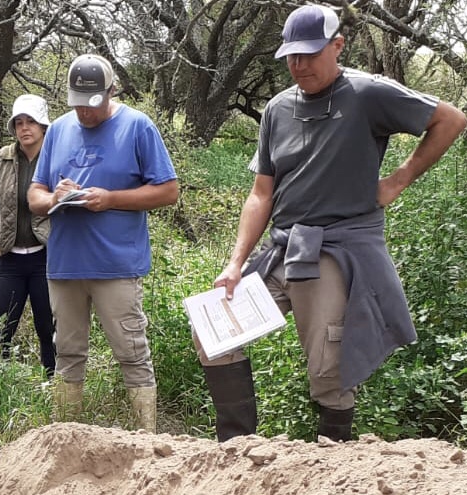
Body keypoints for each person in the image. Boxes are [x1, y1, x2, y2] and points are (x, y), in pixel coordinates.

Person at [201, 5, 467, 442]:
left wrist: (399, 179)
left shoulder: (367, 93)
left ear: (337, 45)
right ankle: (237, 452)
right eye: (291, 56)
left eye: (309, 54)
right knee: (214, 333)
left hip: (335, 246)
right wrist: (235, 263)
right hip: (284, 247)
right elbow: (261, 193)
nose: (299, 65)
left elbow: (450, 119)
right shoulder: (277, 109)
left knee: (329, 366)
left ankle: (335, 462)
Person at [28, 54, 179, 431]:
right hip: (65, 264)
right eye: (78, 102)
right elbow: (35, 193)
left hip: (116, 265)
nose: (85, 112)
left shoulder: (137, 126)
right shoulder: (60, 130)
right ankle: (65, 436)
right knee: (67, 352)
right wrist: (54, 198)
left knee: (131, 352)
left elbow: (168, 190)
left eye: (93, 103)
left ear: (110, 92)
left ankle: (145, 437)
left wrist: (110, 199)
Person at [0, 95, 55, 374]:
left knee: (48, 328)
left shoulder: (56, 156)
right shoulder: (3, 158)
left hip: (45, 258)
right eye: (19, 122)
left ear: (43, 126)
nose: (25, 128)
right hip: (9, 259)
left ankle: (53, 388)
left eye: (31, 122)